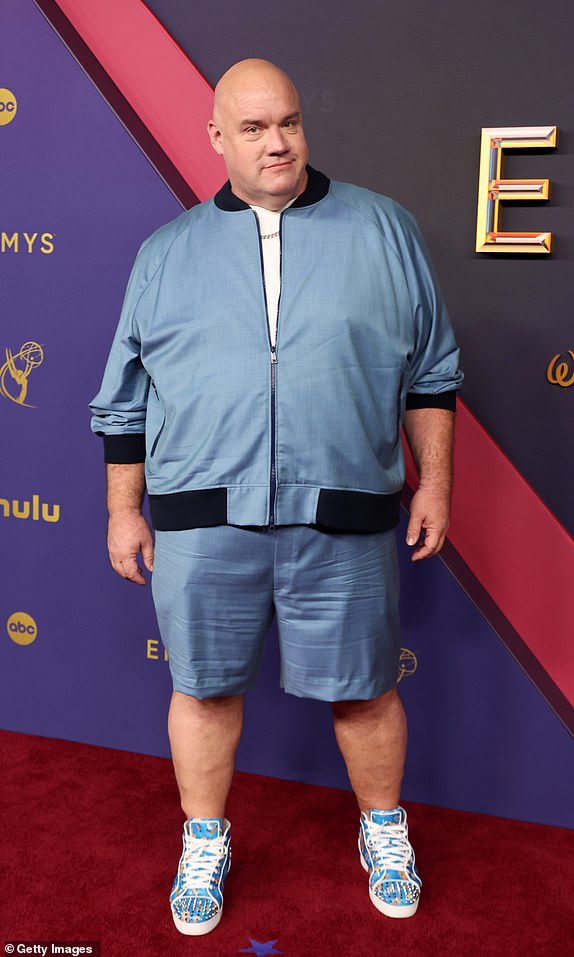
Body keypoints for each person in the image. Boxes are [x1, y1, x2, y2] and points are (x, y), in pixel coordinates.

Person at [90, 58, 462, 936]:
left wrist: (435, 480)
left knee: (366, 690)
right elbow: (124, 400)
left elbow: (433, 375)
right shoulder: (167, 253)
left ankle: (383, 829)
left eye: (288, 122)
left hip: (347, 515)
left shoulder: (385, 229)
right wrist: (121, 507)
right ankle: (205, 840)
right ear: (217, 137)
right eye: (253, 128)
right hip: (202, 522)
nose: (277, 142)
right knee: (205, 688)